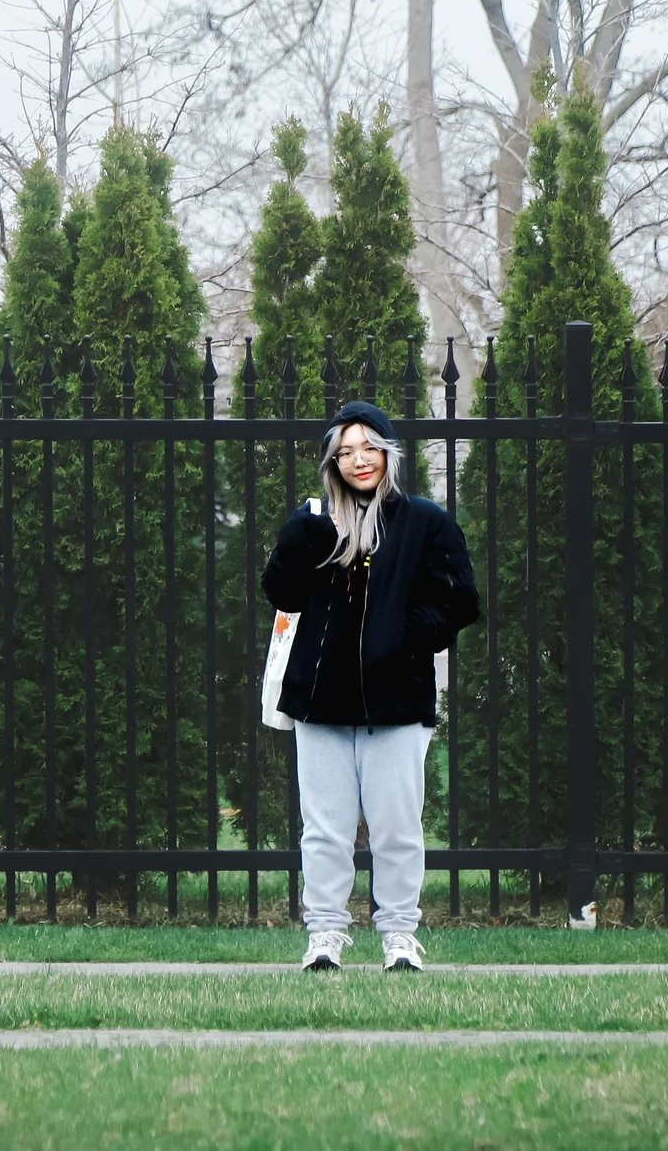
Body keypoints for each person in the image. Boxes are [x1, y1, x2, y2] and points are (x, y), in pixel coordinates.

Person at [261, 399, 480, 971]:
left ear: (388, 454)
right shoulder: (314, 522)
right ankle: (324, 935)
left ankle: (399, 936)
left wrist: (403, 638)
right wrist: (302, 534)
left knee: (397, 830)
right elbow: (281, 592)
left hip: (397, 702)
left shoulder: (424, 521)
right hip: (320, 703)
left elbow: (459, 600)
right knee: (324, 831)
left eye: (369, 448)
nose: (359, 460)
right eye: (346, 452)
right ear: (332, 462)